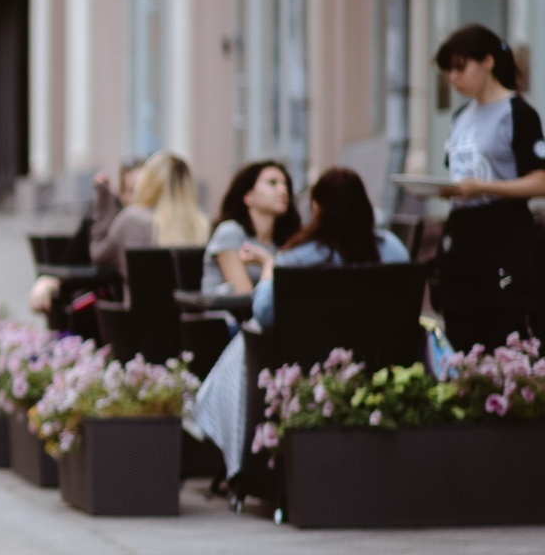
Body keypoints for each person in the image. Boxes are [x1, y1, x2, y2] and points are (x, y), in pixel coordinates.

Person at [187, 167, 409, 480]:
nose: (283, 190)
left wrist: (269, 270)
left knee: (246, 344)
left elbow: (265, 312)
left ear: (316, 208)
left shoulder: (297, 256)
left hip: (307, 368)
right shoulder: (393, 249)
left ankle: (242, 458)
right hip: (381, 365)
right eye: (272, 183)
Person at [427, 23, 545, 353]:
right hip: (461, 236)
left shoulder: (518, 113)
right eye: (449, 70)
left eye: (461, 67)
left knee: (502, 329)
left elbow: (540, 180)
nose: (454, 77)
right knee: (460, 328)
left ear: (488, 62)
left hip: (501, 233)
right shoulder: (460, 117)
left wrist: (484, 187)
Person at [88, 150, 208, 270]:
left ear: (148, 182)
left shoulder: (133, 219)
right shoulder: (200, 226)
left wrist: (103, 201)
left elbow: (98, 256)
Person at [204, 159, 297, 294]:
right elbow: (244, 295)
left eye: (285, 184)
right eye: (272, 183)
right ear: (248, 196)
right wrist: (267, 263)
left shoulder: (281, 241)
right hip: (225, 307)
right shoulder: (230, 232)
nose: (283, 190)